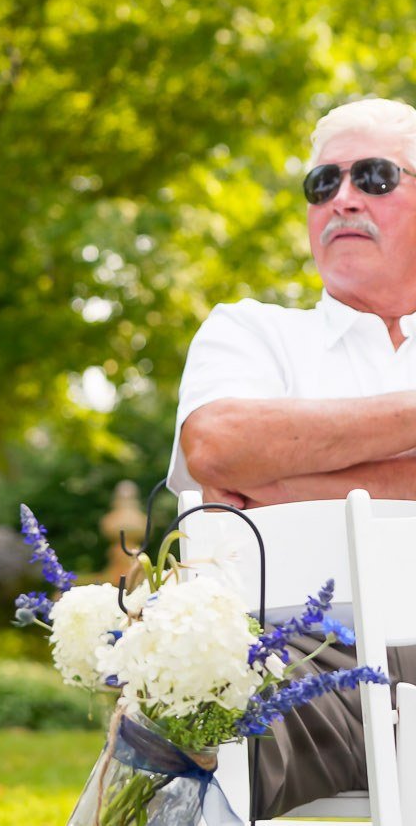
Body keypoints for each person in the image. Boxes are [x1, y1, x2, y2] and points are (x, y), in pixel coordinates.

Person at [170, 96, 416, 815]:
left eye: (373, 177)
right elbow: (217, 444)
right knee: (199, 727)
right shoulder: (251, 331)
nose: (341, 198)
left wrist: (288, 483)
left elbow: (243, 466)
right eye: (322, 183)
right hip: (312, 657)